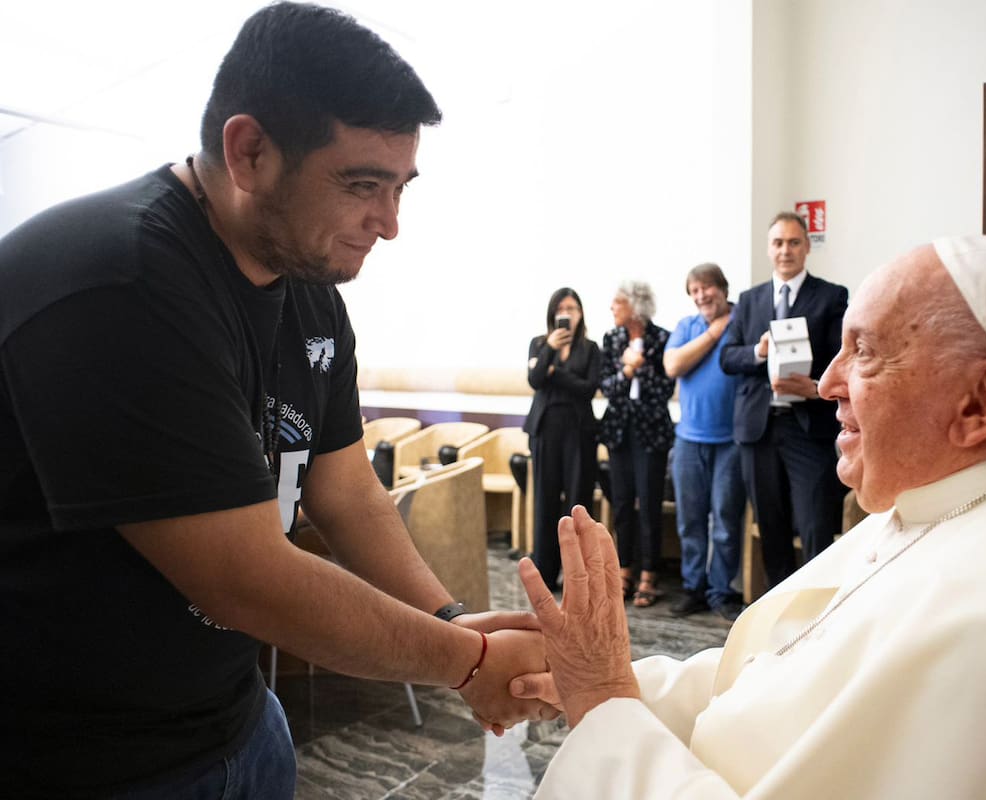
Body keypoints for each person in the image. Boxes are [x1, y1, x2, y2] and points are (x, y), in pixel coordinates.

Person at [0, 5, 553, 798]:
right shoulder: (118, 281)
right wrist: (466, 663)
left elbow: (344, 489)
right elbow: (244, 575)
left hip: (235, 722)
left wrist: (450, 616)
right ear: (249, 150)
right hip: (80, 758)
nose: (390, 224)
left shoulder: (309, 288)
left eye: (401, 187)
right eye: (362, 184)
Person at [514, 235, 986, 799]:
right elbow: (773, 669)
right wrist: (617, 683)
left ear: (979, 402)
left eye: (865, 351)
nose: (829, 379)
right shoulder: (954, 496)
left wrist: (606, 707)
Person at [721, 211, 848, 587]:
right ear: (768, 249)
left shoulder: (830, 296)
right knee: (770, 525)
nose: (786, 250)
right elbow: (728, 357)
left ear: (807, 247)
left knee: (814, 524)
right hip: (758, 430)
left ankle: (817, 613)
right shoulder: (748, 300)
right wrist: (758, 352)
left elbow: (843, 358)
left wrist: (816, 386)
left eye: (794, 242)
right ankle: (778, 613)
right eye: (778, 243)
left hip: (808, 428)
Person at [663, 263, 746, 621]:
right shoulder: (687, 326)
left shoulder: (743, 320)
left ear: (723, 289)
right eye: (694, 291)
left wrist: (725, 329)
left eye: (707, 288)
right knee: (690, 521)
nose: (701, 296)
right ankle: (693, 587)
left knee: (726, 522)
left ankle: (721, 591)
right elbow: (672, 365)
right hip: (688, 441)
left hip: (731, 442)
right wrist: (713, 334)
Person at [599, 281, 676, 608]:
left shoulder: (662, 338)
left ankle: (649, 573)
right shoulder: (612, 339)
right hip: (619, 431)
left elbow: (664, 390)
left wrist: (641, 368)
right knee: (622, 504)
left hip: (651, 434)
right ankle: (624, 569)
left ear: (635, 306)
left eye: (618, 302)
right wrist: (628, 370)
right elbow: (607, 387)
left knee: (649, 504)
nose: (612, 308)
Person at [524, 287, 601, 589]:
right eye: (562, 308)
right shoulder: (539, 344)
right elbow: (535, 380)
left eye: (573, 308)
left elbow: (588, 388)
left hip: (579, 432)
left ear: (581, 313)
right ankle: (545, 571)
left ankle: (577, 575)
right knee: (545, 499)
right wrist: (549, 354)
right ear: (553, 313)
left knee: (577, 502)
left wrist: (556, 374)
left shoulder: (591, 348)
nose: (567, 313)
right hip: (545, 429)